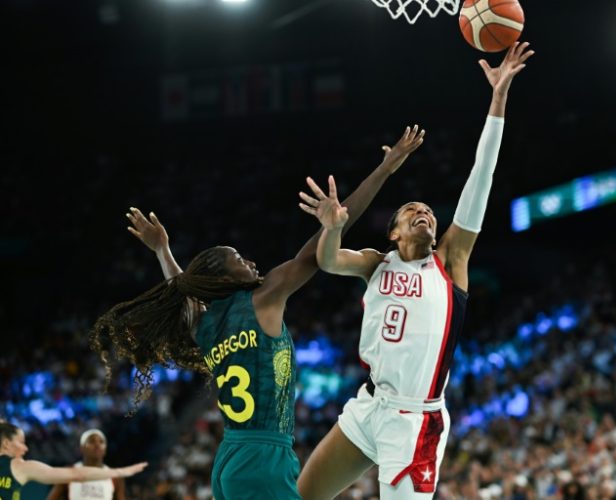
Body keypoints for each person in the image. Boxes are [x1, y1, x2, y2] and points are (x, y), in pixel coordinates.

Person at [90, 127, 425, 500]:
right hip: (265, 458)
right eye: (238, 259)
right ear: (221, 277)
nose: (249, 261)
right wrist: (381, 173)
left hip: (230, 458)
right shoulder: (262, 297)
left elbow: (181, 289)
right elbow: (315, 253)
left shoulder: (206, 324)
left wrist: (162, 250)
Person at [296, 42, 534, 499]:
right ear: (393, 233)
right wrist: (331, 227)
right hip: (370, 406)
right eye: (412, 211)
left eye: (429, 211)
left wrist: (498, 98)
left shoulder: (450, 261)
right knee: (303, 494)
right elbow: (327, 261)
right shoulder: (374, 263)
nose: (424, 213)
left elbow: (481, 176)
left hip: (415, 420)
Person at [0, 422, 146, 499]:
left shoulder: (114, 480)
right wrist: (121, 471)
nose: (25, 448)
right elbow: (78, 475)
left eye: (101, 442)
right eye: (21, 442)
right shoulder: (18, 466)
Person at [46, 429, 125, 500]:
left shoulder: (115, 477)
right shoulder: (69, 472)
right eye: (92, 441)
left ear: (105, 449)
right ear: (82, 448)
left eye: (101, 442)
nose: (97, 445)